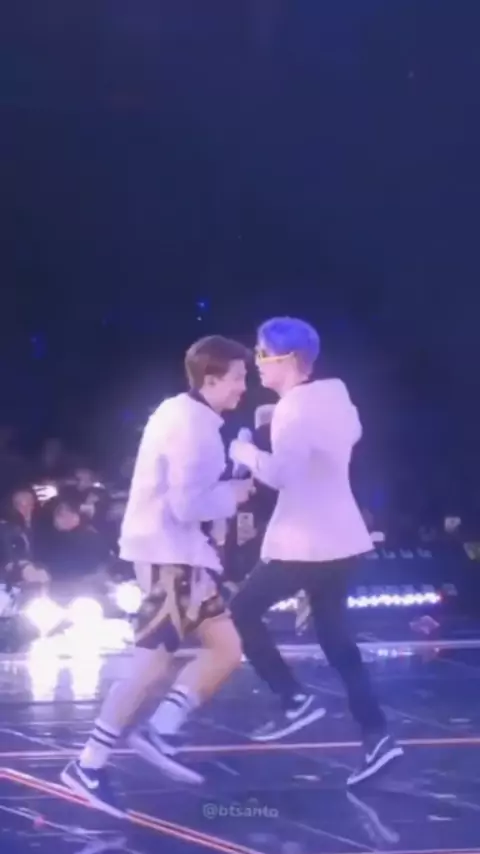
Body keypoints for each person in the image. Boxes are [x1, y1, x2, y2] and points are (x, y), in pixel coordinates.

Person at [61, 335, 253, 816]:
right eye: (238, 378)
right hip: (170, 557)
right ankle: (89, 763)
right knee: (150, 663)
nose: (243, 387)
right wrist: (233, 494)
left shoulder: (184, 415)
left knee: (226, 648)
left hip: (181, 556)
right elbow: (187, 505)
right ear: (211, 378)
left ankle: (160, 730)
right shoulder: (193, 425)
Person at [228, 317, 403, 786]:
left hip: (306, 544)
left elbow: (280, 475)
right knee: (336, 639)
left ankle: (293, 699)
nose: (257, 363)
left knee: (241, 610)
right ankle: (376, 734)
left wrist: (243, 450)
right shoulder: (335, 395)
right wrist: (276, 420)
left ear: (286, 360)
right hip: (344, 540)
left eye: (262, 354)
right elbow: (348, 434)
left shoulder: (294, 410)